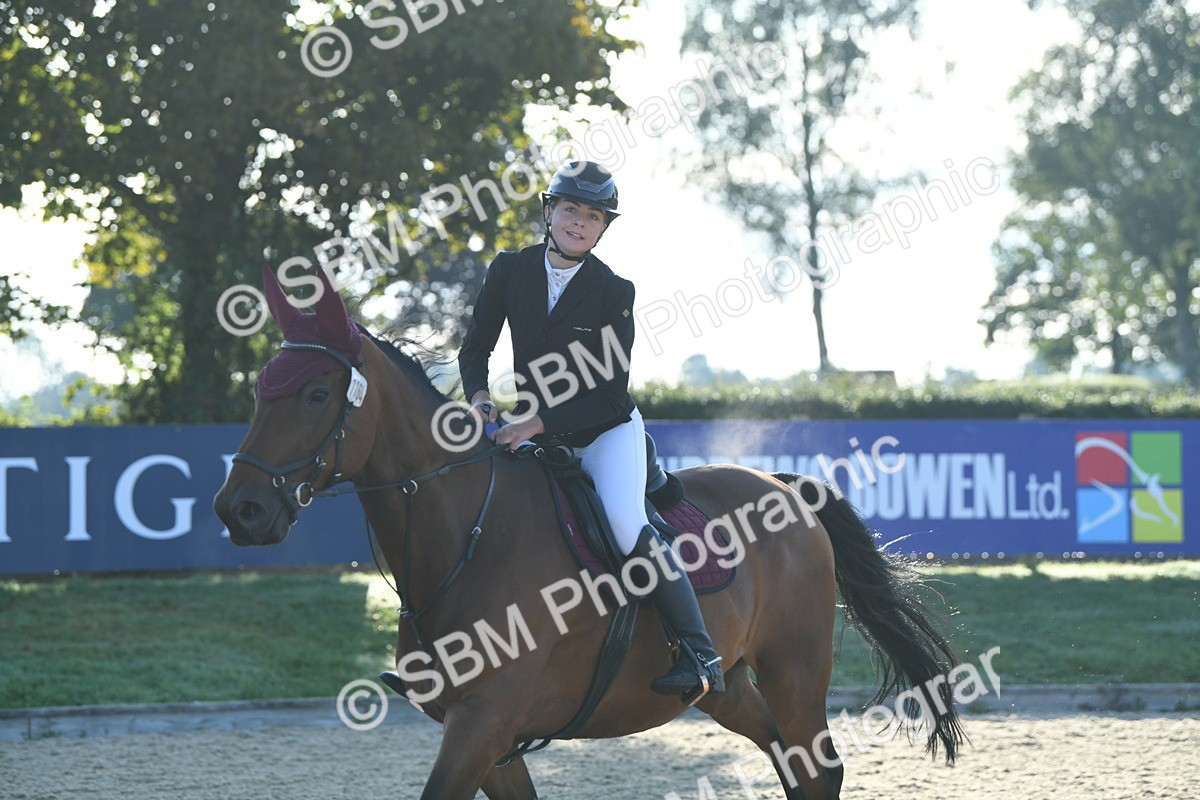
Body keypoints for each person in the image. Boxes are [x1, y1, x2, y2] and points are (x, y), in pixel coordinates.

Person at [457, 161, 726, 700]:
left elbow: (607, 393)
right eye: (571, 209)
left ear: (604, 228)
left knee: (626, 523)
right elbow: (476, 346)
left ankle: (701, 655)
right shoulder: (509, 269)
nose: (580, 222)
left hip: (604, 432)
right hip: (532, 430)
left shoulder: (613, 290)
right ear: (549, 211)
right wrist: (481, 399)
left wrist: (532, 423)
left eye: (593, 216)